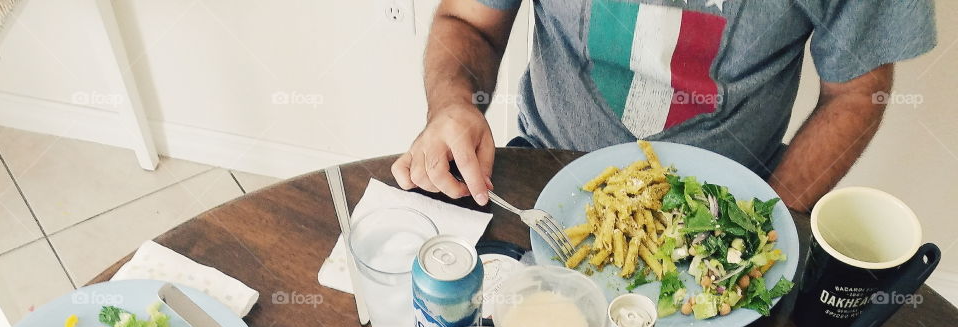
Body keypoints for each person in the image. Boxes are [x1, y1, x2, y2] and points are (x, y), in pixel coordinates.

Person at [392, 0, 936, 212]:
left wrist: (768, 216)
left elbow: (857, 92)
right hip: (539, 181)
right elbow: (466, 23)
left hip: (727, 205)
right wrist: (453, 106)